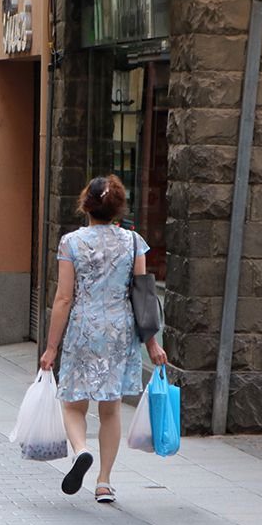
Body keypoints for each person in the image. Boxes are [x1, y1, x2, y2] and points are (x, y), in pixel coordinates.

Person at [39, 175, 167, 504]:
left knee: (72, 404)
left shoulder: (71, 243)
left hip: (84, 328)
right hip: (120, 332)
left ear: (86, 206)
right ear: (118, 208)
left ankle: (81, 451)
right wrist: (152, 344)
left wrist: (52, 347)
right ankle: (104, 483)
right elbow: (143, 295)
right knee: (110, 410)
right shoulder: (134, 242)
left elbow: (64, 298)